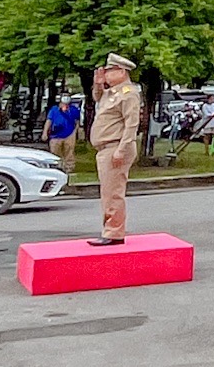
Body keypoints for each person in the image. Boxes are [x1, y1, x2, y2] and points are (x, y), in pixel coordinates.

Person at [87, 53, 144, 246]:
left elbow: (131, 124)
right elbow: (97, 98)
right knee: (107, 192)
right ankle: (110, 230)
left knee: (113, 192)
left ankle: (114, 232)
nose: (105, 74)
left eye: (109, 71)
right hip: (105, 148)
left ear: (121, 72)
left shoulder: (129, 93)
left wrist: (122, 149)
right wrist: (98, 84)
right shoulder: (112, 93)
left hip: (115, 146)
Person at [45, 95, 83, 174]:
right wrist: (45, 132)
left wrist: (76, 132)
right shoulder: (54, 109)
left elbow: (77, 121)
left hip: (69, 134)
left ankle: (69, 168)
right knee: (55, 152)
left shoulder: (73, 110)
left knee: (69, 152)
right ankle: (56, 167)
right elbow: (49, 121)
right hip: (55, 135)